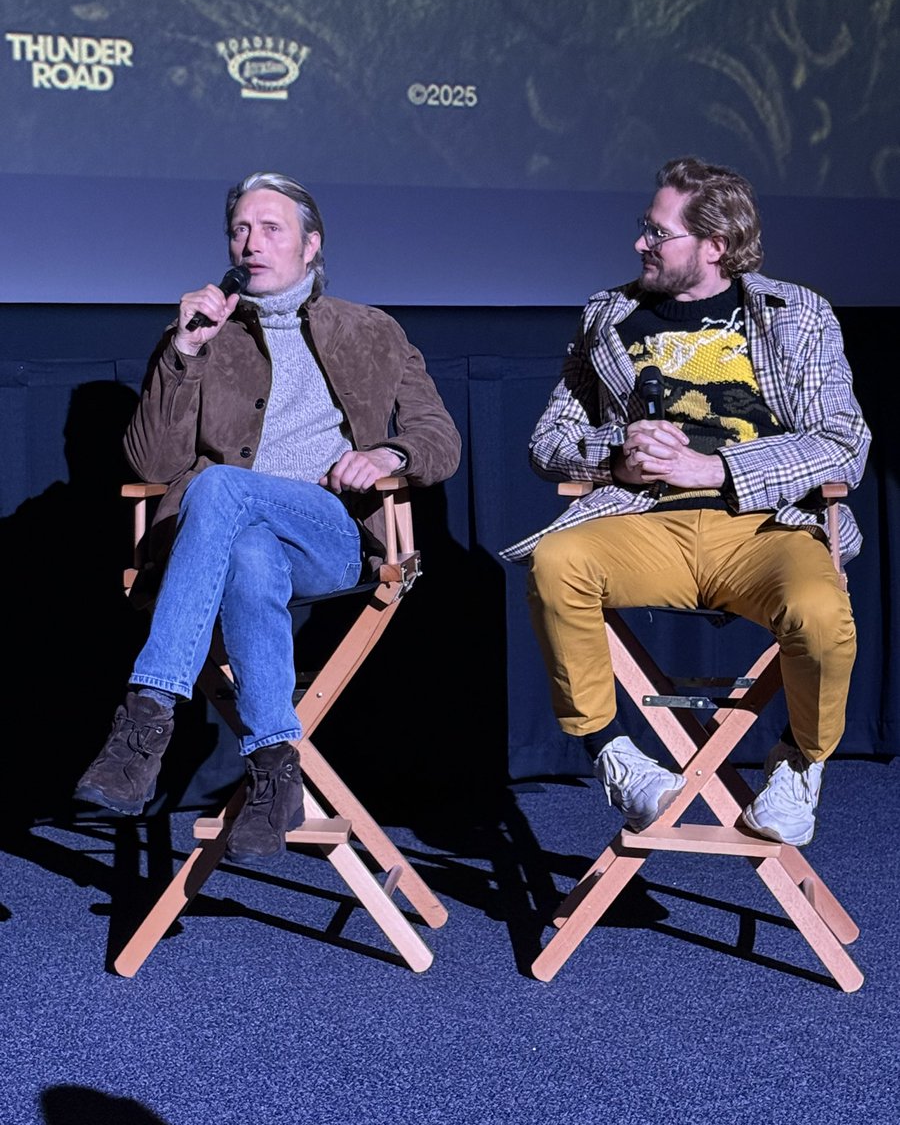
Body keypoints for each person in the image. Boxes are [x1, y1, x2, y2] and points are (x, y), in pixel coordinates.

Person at [76, 171, 461, 862]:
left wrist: (387, 453)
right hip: (230, 542)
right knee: (246, 546)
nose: (251, 242)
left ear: (313, 244)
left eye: (271, 227)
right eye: (240, 229)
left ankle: (146, 718)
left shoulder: (373, 330)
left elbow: (439, 439)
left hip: (331, 532)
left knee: (222, 487)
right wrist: (181, 354)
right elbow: (151, 465)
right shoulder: (203, 333)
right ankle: (274, 769)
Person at [500, 156, 870, 848]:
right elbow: (547, 442)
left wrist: (715, 464)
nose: (640, 242)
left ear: (715, 245)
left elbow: (844, 444)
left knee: (821, 614)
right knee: (557, 564)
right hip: (644, 521)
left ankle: (799, 762)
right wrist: (615, 455)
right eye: (643, 227)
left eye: (656, 232)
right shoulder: (608, 318)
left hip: (765, 527)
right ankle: (617, 756)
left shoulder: (798, 314)